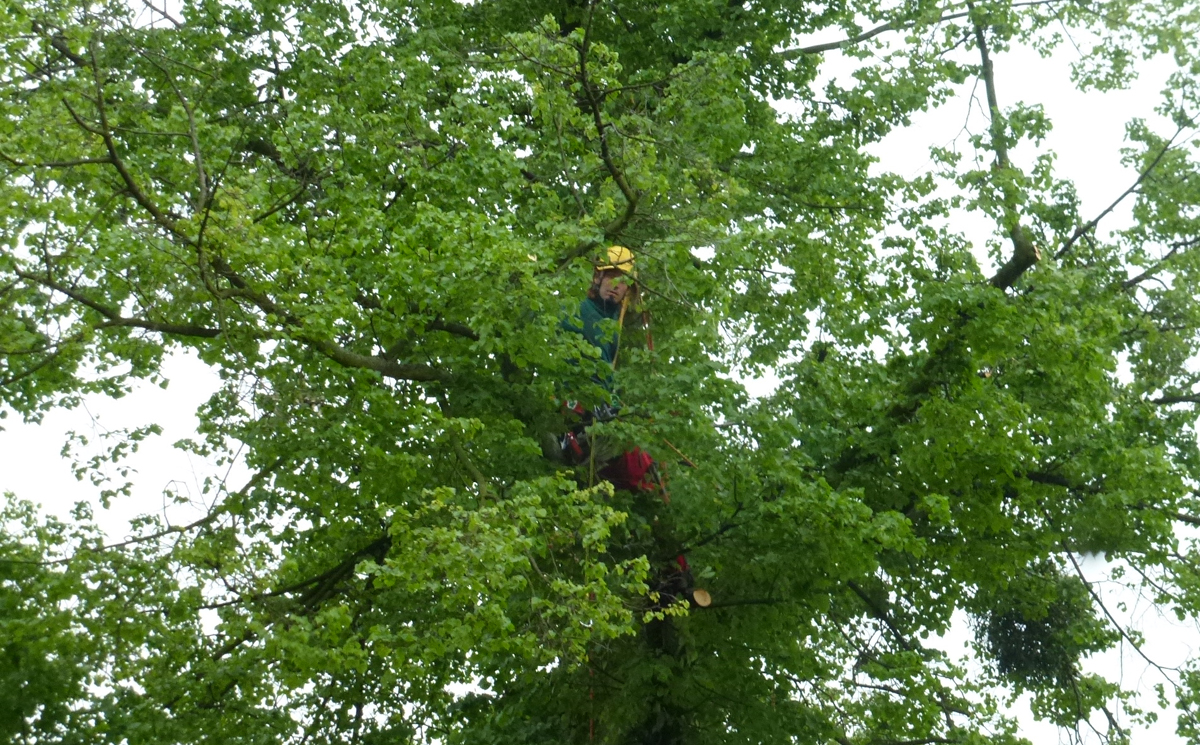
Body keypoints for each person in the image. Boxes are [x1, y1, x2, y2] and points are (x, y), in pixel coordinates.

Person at [557, 246, 657, 493]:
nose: (616, 285)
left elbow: (604, 374)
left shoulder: (611, 326)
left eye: (623, 281)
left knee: (638, 460)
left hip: (593, 402)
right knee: (628, 450)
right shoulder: (582, 312)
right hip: (575, 399)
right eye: (611, 276)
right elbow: (586, 367)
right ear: (597, 278)